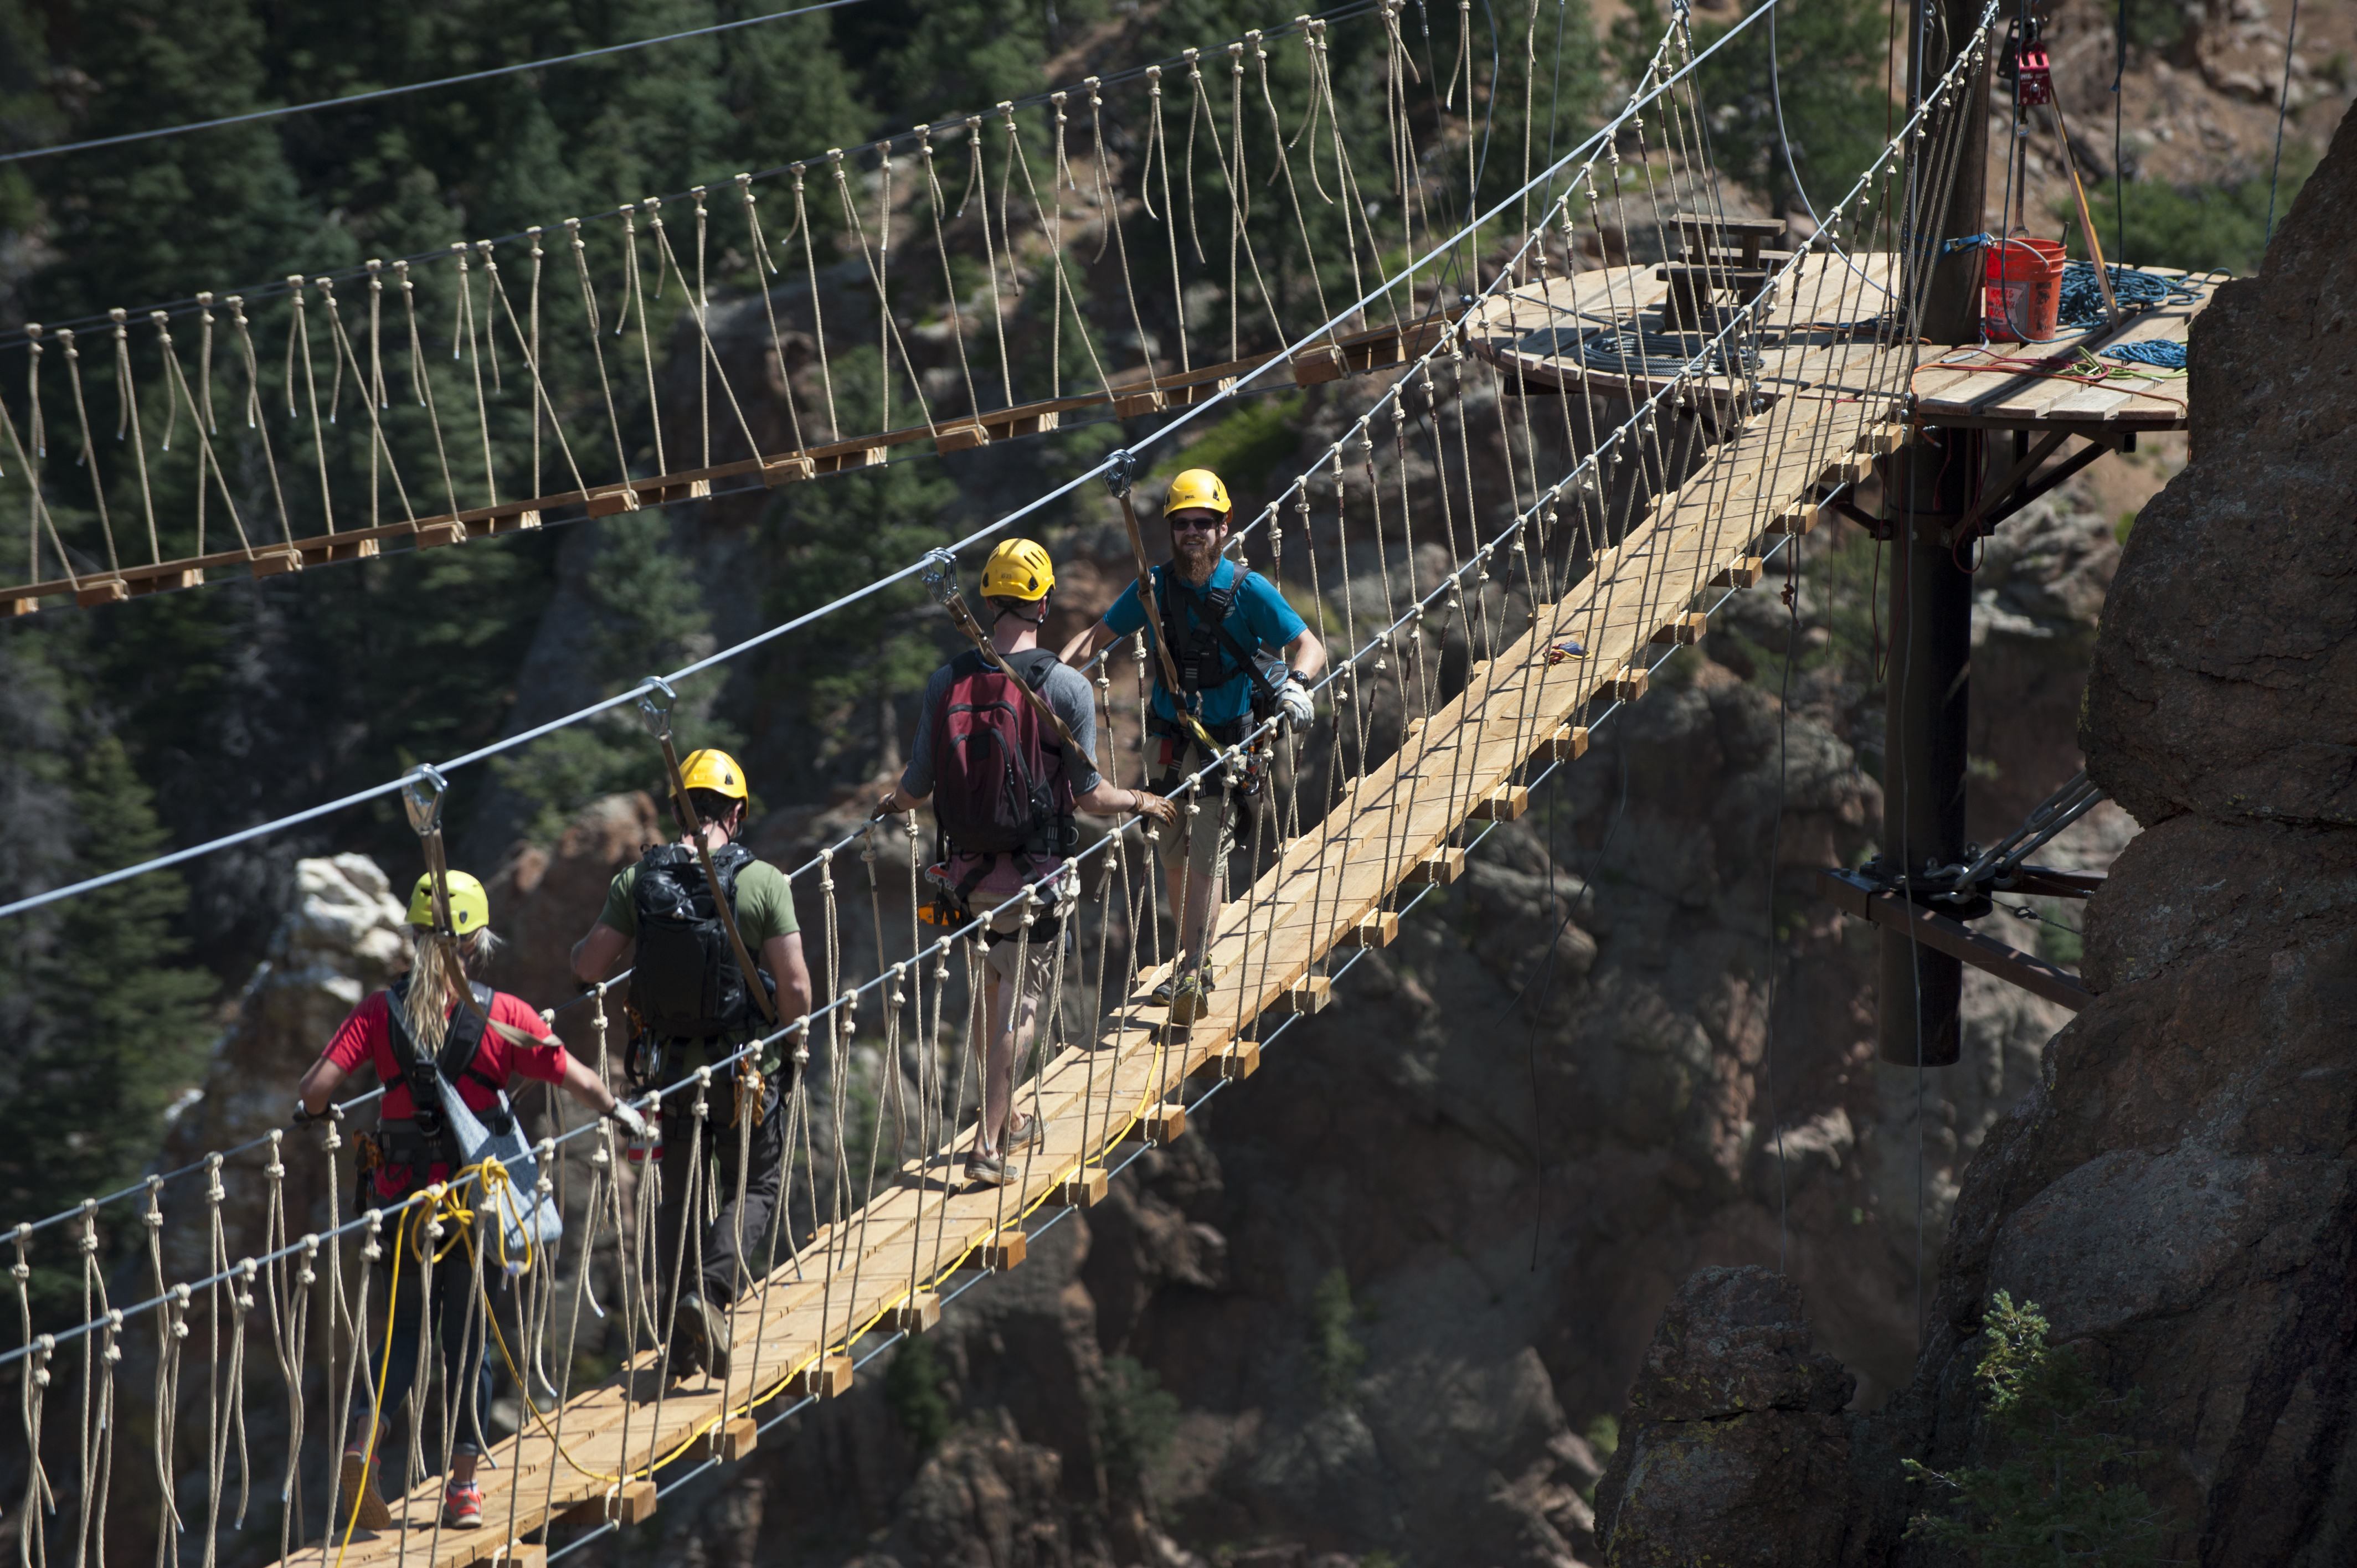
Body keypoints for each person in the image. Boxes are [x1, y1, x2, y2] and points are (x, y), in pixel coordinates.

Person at [296, 870, 648, 1531]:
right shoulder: (505, 1015)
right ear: (477, 940)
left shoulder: (380, 1010)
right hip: (471, 1202)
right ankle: (461, 1490)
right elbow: (572, 1075)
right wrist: (618, 1111)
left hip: (401, 1198)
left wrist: (311, 1112)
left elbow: (318, 1090)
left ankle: (361, 1444)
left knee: (401, 1331)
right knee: (468, 1344)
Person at [876, 538, 1177, 1187]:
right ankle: (987, 1145)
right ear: (1041, 601)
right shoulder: (1063, 686)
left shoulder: (946, 679)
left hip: (962, 876)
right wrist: (1141, 801)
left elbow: (916, 787)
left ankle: (1006, 1116)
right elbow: (1090, 796)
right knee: (1022, 1001)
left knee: (992, 989)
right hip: (1033, 878)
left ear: (989, 598)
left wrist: (888, 804)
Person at [570, 747, 812, 1384]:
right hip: (745, 1071)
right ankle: (710, 1292)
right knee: (754, 1185)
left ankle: (679, 1348)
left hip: (667, 1074)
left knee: (676, 1199)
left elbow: (588, 967)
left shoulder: (639, 881)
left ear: (678, 809)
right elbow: (796, 988)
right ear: (736, 812)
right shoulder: (763, 881)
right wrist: (794, 1043)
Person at [1059, 468, 1324, 1023]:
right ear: (1171, 530)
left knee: (1204, 852)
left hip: (1229, 745)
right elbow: (1097, 637)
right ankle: (1192, 954)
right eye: (1183, 524)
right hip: (1169, 740)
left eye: (1203, 523)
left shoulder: (1245, 590)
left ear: (1223, 528)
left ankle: (1195, 969)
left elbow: (1308, 646)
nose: (1193, 533)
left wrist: (1297, 686)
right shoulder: (1153, 589)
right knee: (1173, 853)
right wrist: (1052, 677)